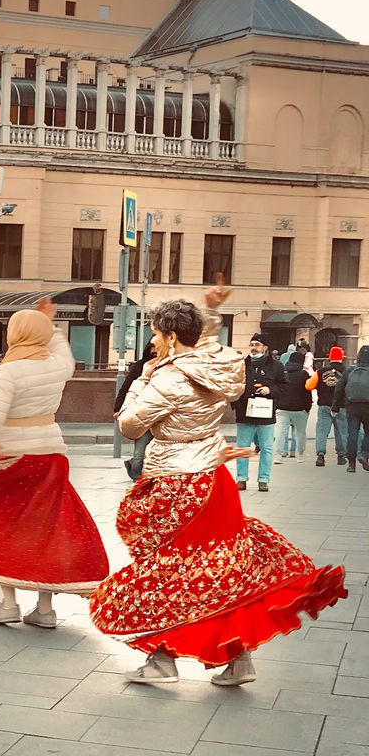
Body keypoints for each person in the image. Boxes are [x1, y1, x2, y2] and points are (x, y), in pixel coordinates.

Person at [91, 283, 346, 687]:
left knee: (174, 571)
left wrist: (142, 378)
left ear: (172, 337)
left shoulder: (168, 378)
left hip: (177, 482)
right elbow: (209, 356)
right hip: (213, 477)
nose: (154, 340)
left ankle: (162, 661)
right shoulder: (215, 368)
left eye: (157, 333)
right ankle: (238, 659)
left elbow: (129, 424)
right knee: (218, 569)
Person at [0, 299, 108, 629]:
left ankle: (8, 603)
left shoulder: (9, 370)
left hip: (11, 457)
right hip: (50, 454)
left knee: (3, 526)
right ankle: (45, 609)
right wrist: (49, 324)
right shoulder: (56, 366)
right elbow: (64, 352)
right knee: (45, 530)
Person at [233, 333, 284, 491]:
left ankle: (263, 479)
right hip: (245, 413)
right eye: (252, 344)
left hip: (265, 414)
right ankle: (241, 478)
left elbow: (284, 387)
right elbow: (232, 385)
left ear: (265, 348)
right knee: (242, 447)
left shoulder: (276, 367)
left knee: (267, 448)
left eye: (257, 345)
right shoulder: (241, 365)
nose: (254, 348)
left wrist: (270, 389)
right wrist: (236, 403)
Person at [115, 339, 157, 482]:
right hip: (141, 415)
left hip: (159, 416)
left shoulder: (168, 367)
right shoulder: (139, 367)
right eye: (153, 348)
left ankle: (142, 477)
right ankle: (136, 477)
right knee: (139, 453)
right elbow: (126, 388)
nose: (155, 352)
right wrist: (118, 408)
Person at [333, 346, 369, 474]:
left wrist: (335, 406)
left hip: (352, 405)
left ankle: (351, 464)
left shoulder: (349, 370)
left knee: (352, 433)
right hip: (368, 406)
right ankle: (364, 454)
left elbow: (339, 389)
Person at [274, 347, 313, 460]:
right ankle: (300, 455)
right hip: (299, 409)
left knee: (281, 432)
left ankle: (278, 455)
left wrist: (277, 405)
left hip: (282, 408)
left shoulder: (283, 373)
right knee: (300, 433)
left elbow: (278, 390)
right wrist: (307, 408)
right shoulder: (304, 374)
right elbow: (307, 393)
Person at [314, 347, 347, 467]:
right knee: (341, 432)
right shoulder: (347, 371)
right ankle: (341, 456)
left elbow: (309, 385)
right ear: (342, 357)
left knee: (322, 432)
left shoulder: (320, 371)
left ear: (329, 357)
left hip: (324, 405)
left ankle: (320, 455)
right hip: (341, 406)